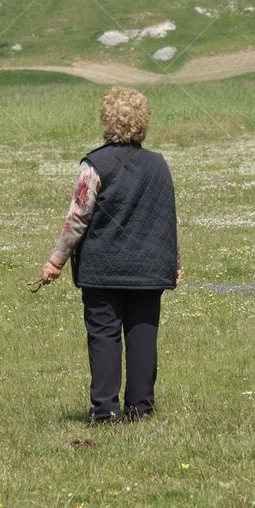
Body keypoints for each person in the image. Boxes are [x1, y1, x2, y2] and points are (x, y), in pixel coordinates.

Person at [40, 86, 180, 424]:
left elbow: (77, 218)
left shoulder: (94, 165)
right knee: (142, 336)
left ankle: (105, 411)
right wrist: (173, 263)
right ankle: (140, 409)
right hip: (149, 269)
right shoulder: (159, 165)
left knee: (103, 335)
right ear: (143, 123)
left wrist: (55, 260)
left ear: (106, 121)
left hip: (103, 269)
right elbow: (168, 218)